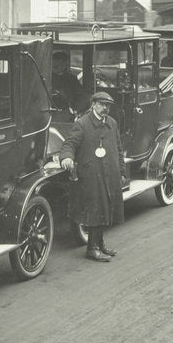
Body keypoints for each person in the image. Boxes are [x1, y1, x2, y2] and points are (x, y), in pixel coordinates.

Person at [58, 91, 126, 263]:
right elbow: (69, 144)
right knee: (96, 210)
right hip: (91, 175)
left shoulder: (112, 123)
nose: (106, 108)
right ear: (93, 104)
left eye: (108, 105)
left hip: (110, 174)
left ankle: (100, 244)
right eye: (102, 104)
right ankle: (92, 249)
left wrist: (122, 171)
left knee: (105, 208)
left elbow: (118, 149)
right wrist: (66, 157)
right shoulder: (82, 124)